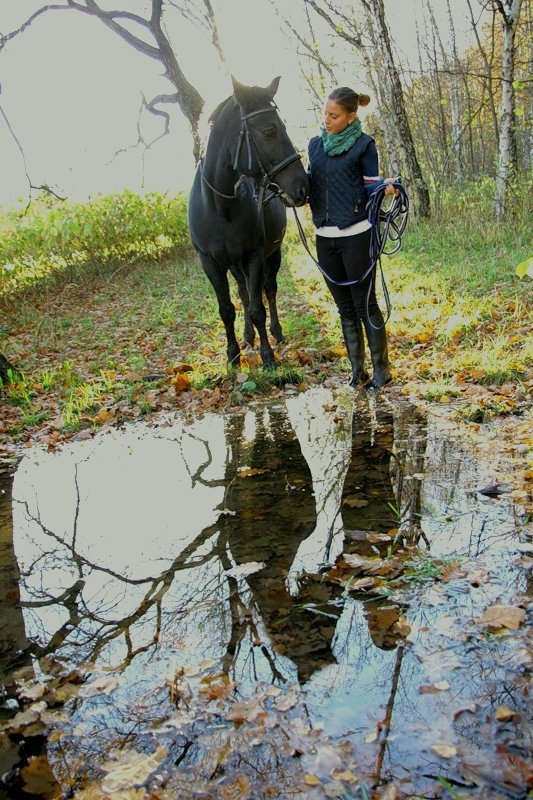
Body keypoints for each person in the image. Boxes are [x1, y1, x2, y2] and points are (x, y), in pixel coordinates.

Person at [307, 87, 398, 388]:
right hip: (325, 238)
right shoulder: (315, 146)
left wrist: (386, 189)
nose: (327, 120)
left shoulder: (364, 145)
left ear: (350, 116)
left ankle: (381, 371)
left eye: (334, 116)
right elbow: (310, 187)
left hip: (358, 235)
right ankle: (357, 371)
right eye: (326, 114)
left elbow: (370, 186)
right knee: (344, 308)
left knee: (365, 304)